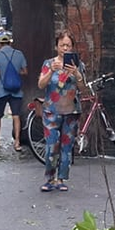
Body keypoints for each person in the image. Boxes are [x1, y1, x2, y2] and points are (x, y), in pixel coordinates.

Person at [37, 32, 84, 191]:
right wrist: (51, 71)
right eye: (62, 45)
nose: (65, 48)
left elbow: (83, 88)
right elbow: (41, 85)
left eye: (68, 45)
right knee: (51, 145)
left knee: (66, 147)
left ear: (72, 48)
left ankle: (61, 179)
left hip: (71, 112)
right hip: (51, 110)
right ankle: (50, 178)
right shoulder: (48, 63)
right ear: (56, 46)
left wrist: (77, 74)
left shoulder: (77, 65)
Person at [0, 31, 30, 151]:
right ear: (9, 43)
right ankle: (17, 141)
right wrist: (15, 73)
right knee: (16, 115)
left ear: (0, 44)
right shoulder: (19, 54)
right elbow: (25, 72)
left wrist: (2, 75)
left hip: (2, 91)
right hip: (16, 91)